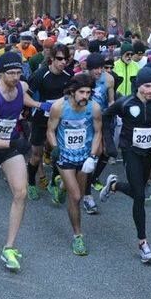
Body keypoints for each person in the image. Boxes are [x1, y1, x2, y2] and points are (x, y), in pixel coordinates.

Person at [0, 51, 45, 272]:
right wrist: (16, 145)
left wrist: (44, 106)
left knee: (21, 192)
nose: (15, 77)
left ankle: (9, 247)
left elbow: (26, 100)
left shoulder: (21, 87)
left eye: (18, 72)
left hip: (10, 146)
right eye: (10, 73)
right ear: (0, 72)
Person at [98, 67, 151, 264]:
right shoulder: (126, 103)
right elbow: (105, 116)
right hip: (130, 151)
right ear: (138, 85)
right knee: (139, 195)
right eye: (147, 86)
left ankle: (114, 185)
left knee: (138, 189)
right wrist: (109, 143)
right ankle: (143, 243)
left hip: (149, 153)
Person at [46, 73, 102, 256]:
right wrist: (55, 148)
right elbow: (51, 130)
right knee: (76, 196)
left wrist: (92, 157)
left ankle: (61, 185)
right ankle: (78, 236)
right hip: (65, 156)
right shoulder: (59, 107)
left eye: (88, 92)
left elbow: (98, 133)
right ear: (72, 91)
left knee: (74, 191)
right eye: (81, 92)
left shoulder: (93, 108)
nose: (85, 96)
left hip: (84, 157)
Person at [26, 43, 73, 200]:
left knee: (59, 152)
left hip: (60, 119)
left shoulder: (68, 74)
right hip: (41, 118)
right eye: (59, 59)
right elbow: (24, 96)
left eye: (66, 59)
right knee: (36, 155)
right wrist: (40, 104)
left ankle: (53, 183)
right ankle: (31, 183)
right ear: (51, 59)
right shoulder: (40, 74)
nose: (63, 62)